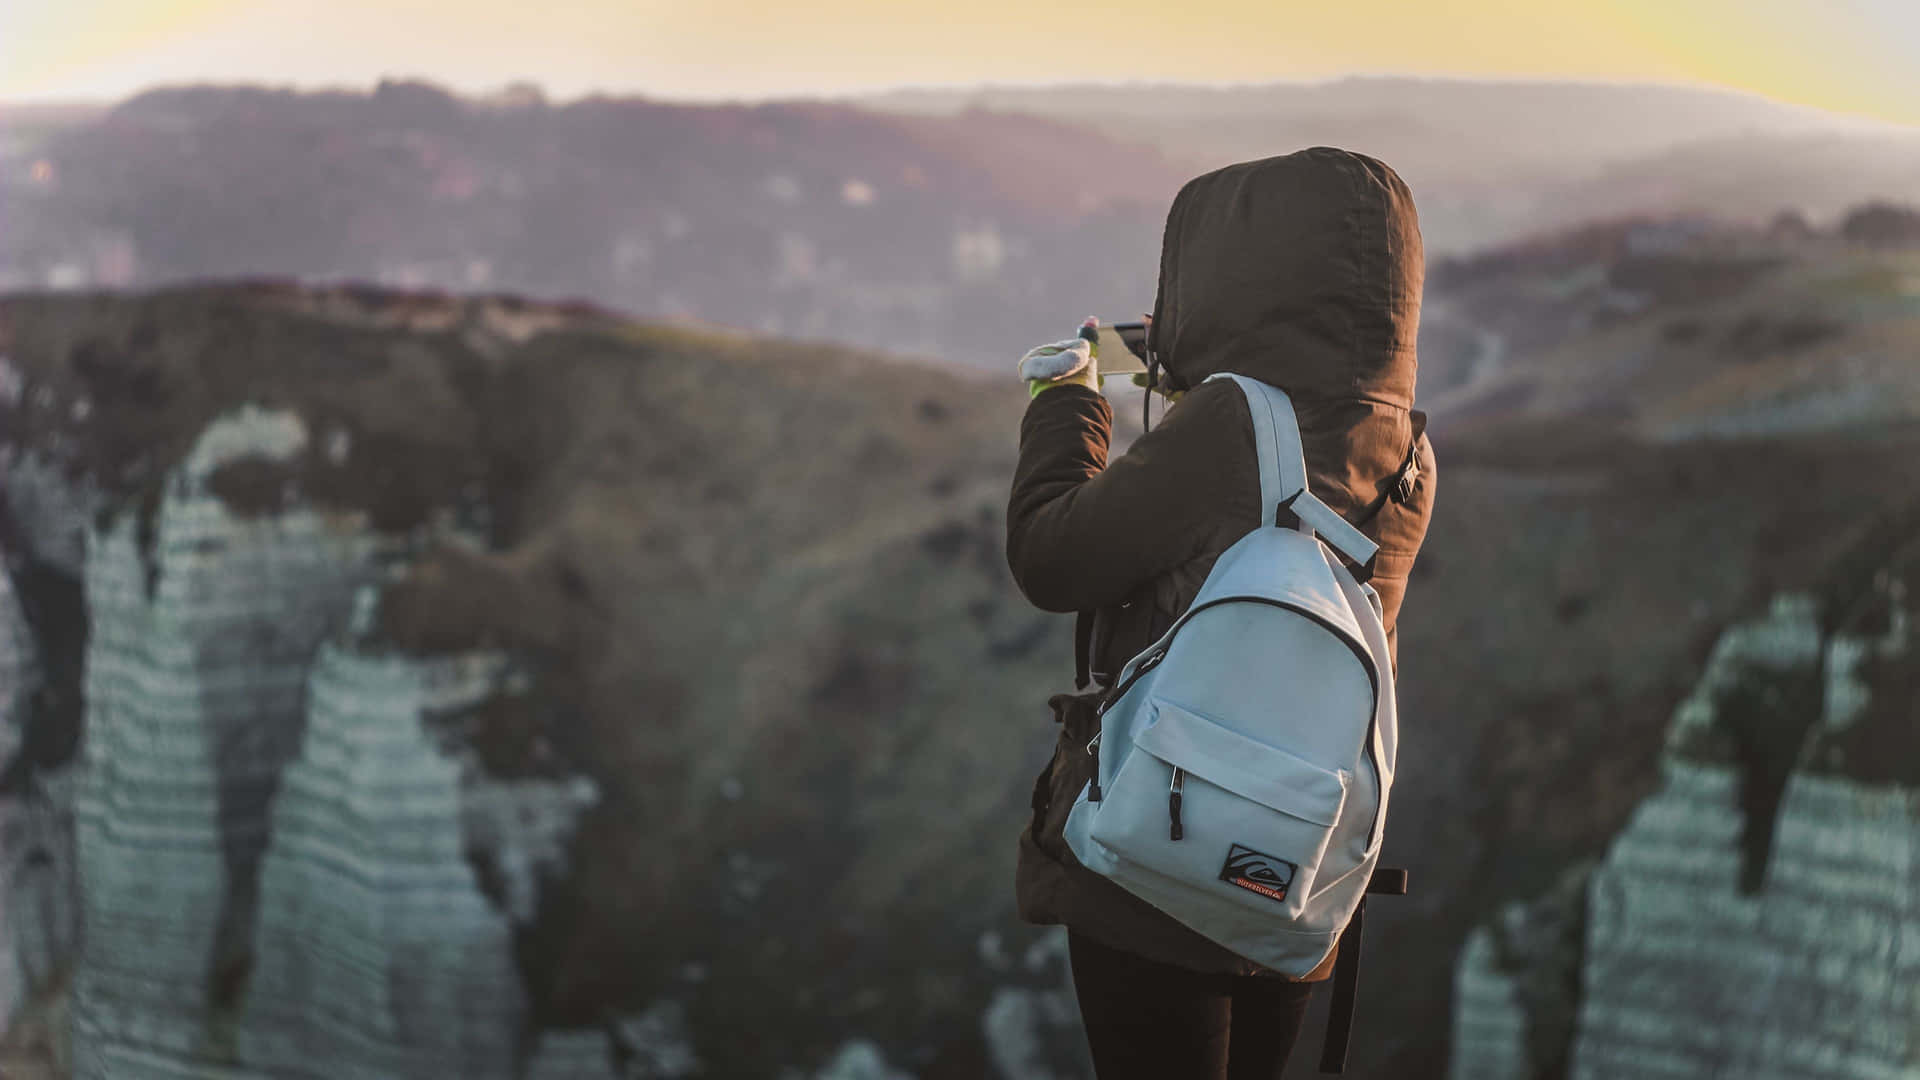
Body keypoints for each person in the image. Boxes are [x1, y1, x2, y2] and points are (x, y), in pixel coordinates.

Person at [1005, 147, 1437, 1079]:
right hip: (1291, 867)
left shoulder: (1232, 422)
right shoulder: (1408, 453)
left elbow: (1051, 557)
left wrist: (1066, 404)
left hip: (1158, 857)